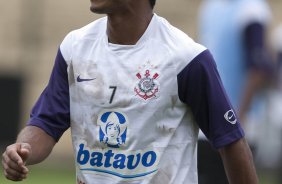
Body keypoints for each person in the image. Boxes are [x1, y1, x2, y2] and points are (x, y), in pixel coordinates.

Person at [2, 0, 258, 183]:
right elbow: (46, 121)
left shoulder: (186, 58)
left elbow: (231, 142)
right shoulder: (75, 48)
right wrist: (22, 149)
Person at [197, 0, 273, 183]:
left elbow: (257, 69)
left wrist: (238, 120)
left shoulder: (252, 10)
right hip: (206, 125)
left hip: (236, 128)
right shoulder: (209, 7)